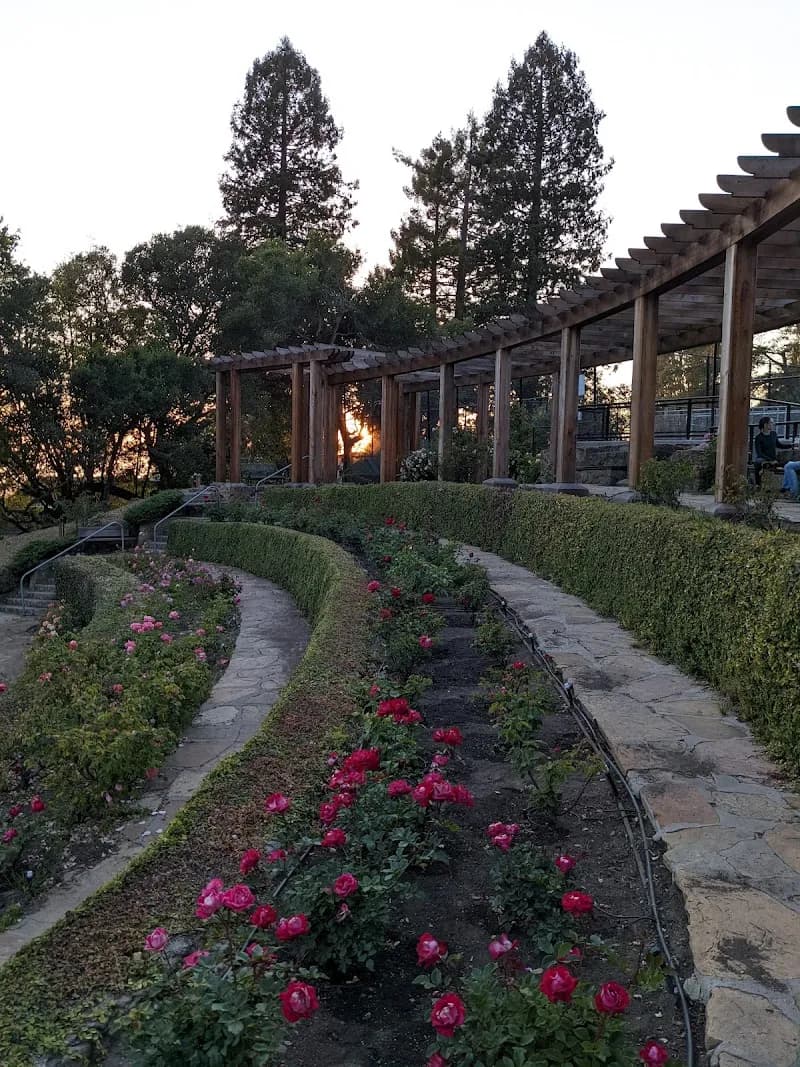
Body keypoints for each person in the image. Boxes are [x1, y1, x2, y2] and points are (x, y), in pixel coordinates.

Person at [753, 416, 793, 486]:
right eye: (771, 422)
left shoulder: (773, 434)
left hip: (773, 458)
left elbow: (779, 445)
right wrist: (770, 460)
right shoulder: (758, 438)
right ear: (765, 425)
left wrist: (791, 445)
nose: (773, 424)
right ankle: (758, 485)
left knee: (789, 464)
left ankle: (785, 486)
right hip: (764, 459)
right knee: (757, 462)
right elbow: (759, 453)